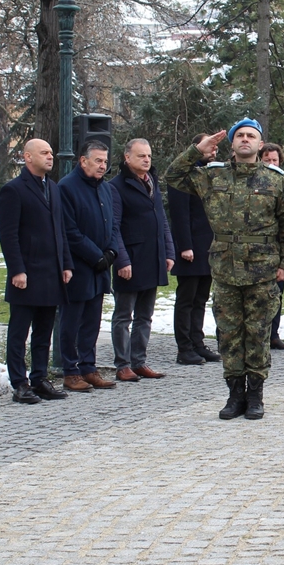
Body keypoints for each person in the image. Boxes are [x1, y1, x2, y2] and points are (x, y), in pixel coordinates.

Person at [165, 120, 284, 420]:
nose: (245, 140)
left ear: (260, 145)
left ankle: (255, 395)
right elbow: (173, 175)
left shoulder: (276, 180)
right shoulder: (212, 176)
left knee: (258, 332)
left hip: (263, 269)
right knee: (228, 334)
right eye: (240, 135)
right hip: (226, 268)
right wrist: (196, 151)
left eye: (251, 136)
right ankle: (234, 393)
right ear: (232, 143)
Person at [0, 139, 73, 405]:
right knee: (19, 333)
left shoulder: (52, 188)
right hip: (26, 274)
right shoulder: (13, 190)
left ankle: (39, 378)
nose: (50, 157)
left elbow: (59, 231)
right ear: (28, 157)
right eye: (44, 153)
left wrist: (65, 264)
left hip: (51, 273)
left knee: (43, 331)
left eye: (52, 152)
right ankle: (20, 383)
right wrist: (17, 269)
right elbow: (8, 235)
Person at [110, 138, 175, 382]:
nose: (147, 160)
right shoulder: (116, 186)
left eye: (148, 155)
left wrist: (169, 251)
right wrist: (122, 260)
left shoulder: (152, 182)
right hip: (131, 260)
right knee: (124, 315)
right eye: (141, 156)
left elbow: (162, 220)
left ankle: (139, 361)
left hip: (153, 257)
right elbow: (114, 228)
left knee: (145, 316)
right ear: (127, 158)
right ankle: (122, 364)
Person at [57, 140, 118, 392]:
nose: (102, 166)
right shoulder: (66, 187)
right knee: (72, 321)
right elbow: (69, 230)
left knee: (92, 321)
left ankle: (88, 367)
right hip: (79, 265)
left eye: (105, 161)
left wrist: (112, 252)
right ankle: (70, 370)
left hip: (101, 266)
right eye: (97, 161)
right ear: (83, 160)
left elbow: (112, 222)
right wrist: (96, 256)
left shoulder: (104, 188)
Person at [169, 135, 220, 366]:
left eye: (216, 148)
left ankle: (198, 343)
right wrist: (185, 246)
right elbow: (180, 215)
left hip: (208, 248)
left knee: (200, 299)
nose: (214, 151)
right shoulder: (185, 176)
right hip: (191, 248)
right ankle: (185, 347)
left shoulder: (210, 174)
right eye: (210, 147)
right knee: (186, 299)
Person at [262, 142, 284, 350]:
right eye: (267, 160)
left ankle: (273, 334)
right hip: (258, 248)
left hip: (278, 247)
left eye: (275, 160)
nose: (272, 164)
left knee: (277, 293)